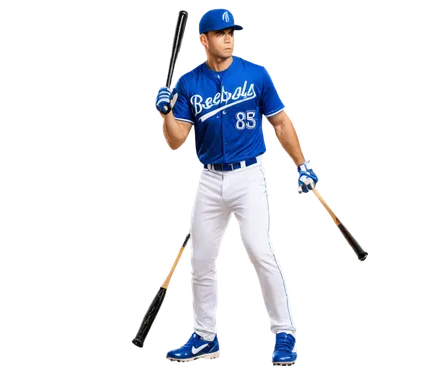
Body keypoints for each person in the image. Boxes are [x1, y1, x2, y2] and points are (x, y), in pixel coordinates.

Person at [154, 6, 320, 367]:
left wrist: (304, 165)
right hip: (209, 178)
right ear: (203, 40)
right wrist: (164, 112)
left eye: (233, 33)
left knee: (261, 251)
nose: (230, 38)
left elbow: (280, 122)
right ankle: (204, 336)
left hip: (249, 175)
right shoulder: (188, 82)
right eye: (221, 33)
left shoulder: (255, 74)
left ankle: (284, 333)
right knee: (200, 262)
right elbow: (177, 141)